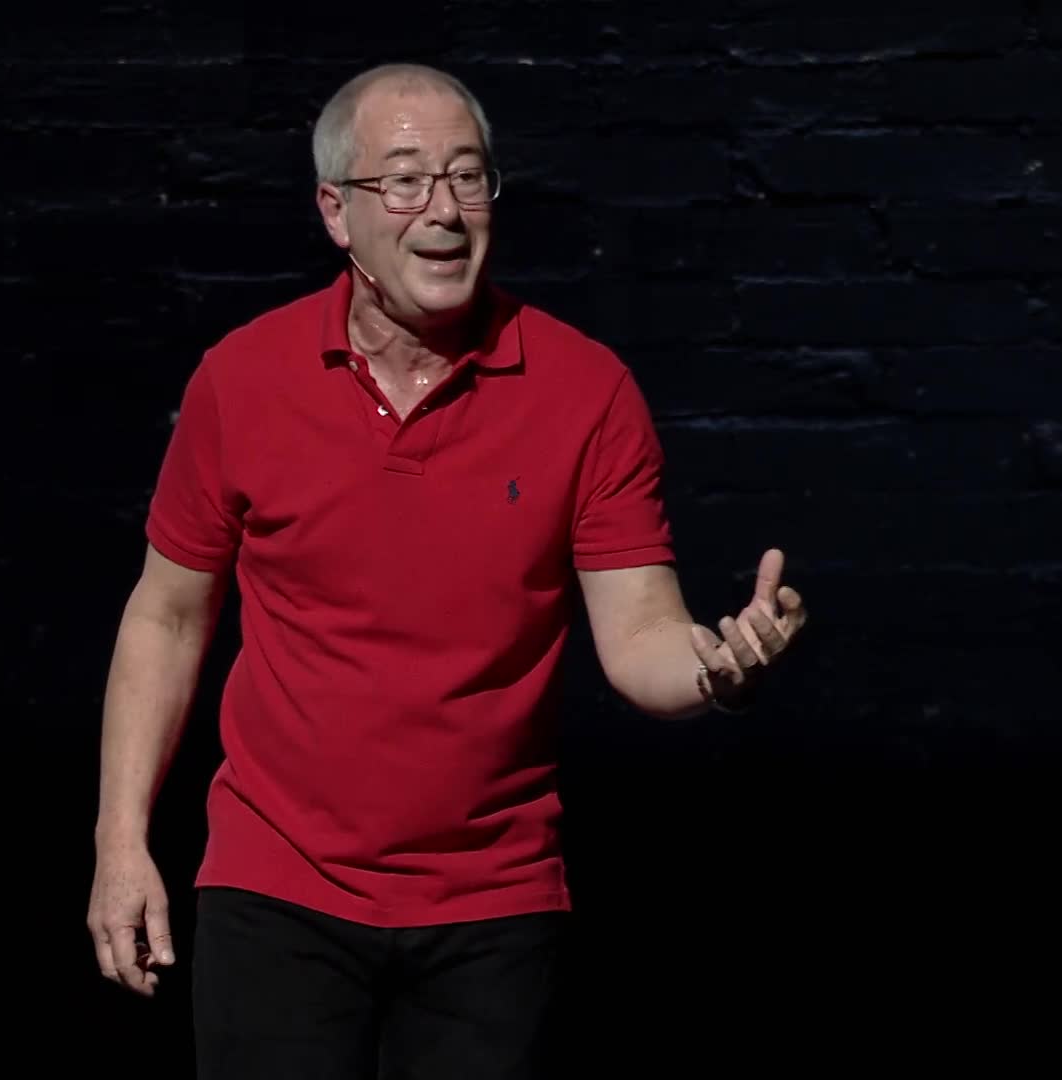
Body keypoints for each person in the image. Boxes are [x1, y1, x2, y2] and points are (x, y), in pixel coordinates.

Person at [86, 62, 809, 1079]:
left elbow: (643, 635)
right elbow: (166, 617)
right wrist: (121, 845)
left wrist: (716, 671)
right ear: (336, 212)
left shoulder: (585, 391)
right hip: (275, 881)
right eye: (406, 180)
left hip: (494, 901)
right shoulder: (241, 379)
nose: (445, 210)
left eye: (469, 178)